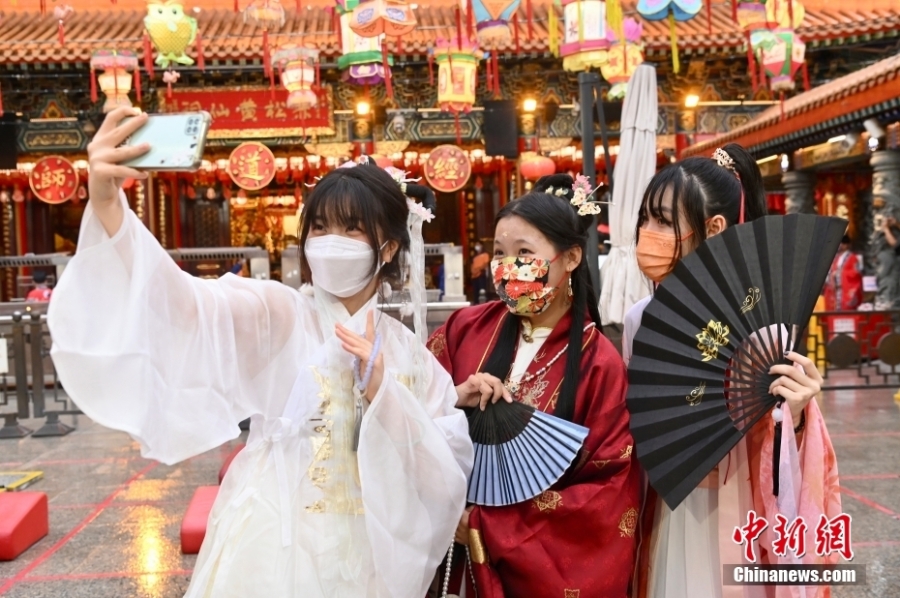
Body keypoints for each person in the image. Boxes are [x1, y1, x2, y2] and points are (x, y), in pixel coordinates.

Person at [47, 107, 473, 598]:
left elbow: (446, 465)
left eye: (353, 230)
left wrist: (386, 395)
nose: (332, 243)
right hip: (277, 539)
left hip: (373, 554)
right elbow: (182, 304)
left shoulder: (408, 353)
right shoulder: (280, 312)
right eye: (320, 229)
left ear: (390, 248)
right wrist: (107, 203)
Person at [623, 144, 840, 598]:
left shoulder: (764, 323)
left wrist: (796, 416)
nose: (648, 231)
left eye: (664, 220)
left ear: (714, 227)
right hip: (668, 500)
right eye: (645, 218)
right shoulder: (640, 319)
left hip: (739, 500)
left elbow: (782, 445)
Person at [428, 174, 641, 597]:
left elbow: (609, 489)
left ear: (572, 257)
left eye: (524, 253)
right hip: (450, 554)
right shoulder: (464, 329)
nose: (508, 266)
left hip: (538, 568)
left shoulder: (600, 364)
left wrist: (485, 526)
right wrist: (452, 401)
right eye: (499, 253)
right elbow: (409, 418)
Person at [823, 235, 862, 311]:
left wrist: (838, 274)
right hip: (835, 290)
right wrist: (831, 277)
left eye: (843, 243)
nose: (841, 245)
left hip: (845, 289)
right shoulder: (836, 258)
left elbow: (856, 273)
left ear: (848, 244)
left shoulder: (853, 258)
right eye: (840, 243)